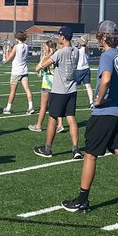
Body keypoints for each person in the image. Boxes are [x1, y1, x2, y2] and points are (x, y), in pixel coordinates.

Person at [60, 21, 118, 217]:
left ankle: (82, 199)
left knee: (90, 155)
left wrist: (98, 100)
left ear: (103, 37)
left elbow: (106, 78)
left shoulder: (107, 56)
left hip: (105, 113)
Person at [33, 26, 82, 159]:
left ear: (63, 37)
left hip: (59, 91)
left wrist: (46, 57)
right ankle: (75, 149)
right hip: (72, 89)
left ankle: (48, 149)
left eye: (59, 35)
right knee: (71, 118)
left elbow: (40, 66)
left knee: (52, 118)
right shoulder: (77, 51)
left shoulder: (60, 53)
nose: (58, 38)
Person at [1, 31, 34, 115]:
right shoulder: (26, 46)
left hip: (16, 72)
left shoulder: (16, 47)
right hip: (24, 70)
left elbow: (8, 59)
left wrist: (7, 51)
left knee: (12, 91)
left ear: (17, 38)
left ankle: (8, 108)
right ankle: (31, 107)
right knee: (27, 89)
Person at [30, 39, 58, 132]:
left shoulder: (48, 57)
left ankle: (38, 125)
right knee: (56, 105)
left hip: (47, 83)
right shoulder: (58, 55)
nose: (44, 49)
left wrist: (47, 56)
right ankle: (60, 125)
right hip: (57, 83)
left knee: (43, 106)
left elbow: (37, 68)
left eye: (45, 47)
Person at [74, 36, 94, 102]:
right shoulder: (87, 49)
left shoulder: (78, 49)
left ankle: (72, 100)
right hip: (87, 68)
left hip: (79, 69)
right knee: (88, 86)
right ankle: (91, 102)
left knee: (74, 87)